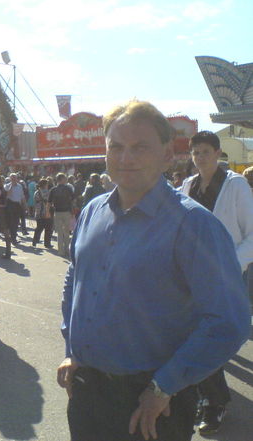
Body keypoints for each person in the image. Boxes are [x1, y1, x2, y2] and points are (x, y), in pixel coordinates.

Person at [57, 100, 250, 441]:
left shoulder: (194, 226)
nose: (125, 158)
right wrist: (72, 348)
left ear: (166, 155)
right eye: (115, 147)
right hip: (87, 391)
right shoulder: (91, 211)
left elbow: (227, 322)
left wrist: (165, 386)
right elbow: (77, 278)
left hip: (152, 401)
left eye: (139, 147)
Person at [179, 130, 253, 434]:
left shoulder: (235, 186)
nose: (200, 158)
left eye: (205, 152)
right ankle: (208, 396)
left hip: (226, 276)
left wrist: (231, 264)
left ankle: (213, 401)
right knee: (192, 336)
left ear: (218, 153)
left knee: (209, 338)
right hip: (192, 276)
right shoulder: (186, 186)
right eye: (195, 152)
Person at [48, 173, 74, 257]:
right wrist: (72, 212)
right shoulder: (68, 188)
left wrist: (48, 212)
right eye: (65, 178)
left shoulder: (53, 189)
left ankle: (60, 251)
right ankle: (67, 250)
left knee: (59, 233)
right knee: (66, 232)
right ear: (62, 179)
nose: (66, 180)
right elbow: (73, 200)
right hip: (66, 212)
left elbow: (49, 202)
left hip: (57, 212)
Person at [4, 173, 26, 244]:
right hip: (10, 205)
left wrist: (25, 205)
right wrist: (11, 186)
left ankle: (13, 238)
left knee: (16, 222)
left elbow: (22, 196)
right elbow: (7, 195)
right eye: (12, 178)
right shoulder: (7, 186)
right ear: (10, 179)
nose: (13, 179)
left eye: (14, 178)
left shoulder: (20, 186)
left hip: (17, 205)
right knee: (11, 222)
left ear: (17, 178)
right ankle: (12, 238)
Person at [32, 179, 53, 248]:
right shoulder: (47, 192)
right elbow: (49, 202)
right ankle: (47, 243)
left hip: (38, 212)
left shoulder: (36, 192)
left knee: (39, 228)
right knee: (48, 229)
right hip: (46, 212)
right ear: (44, 185)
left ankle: (35, 241)